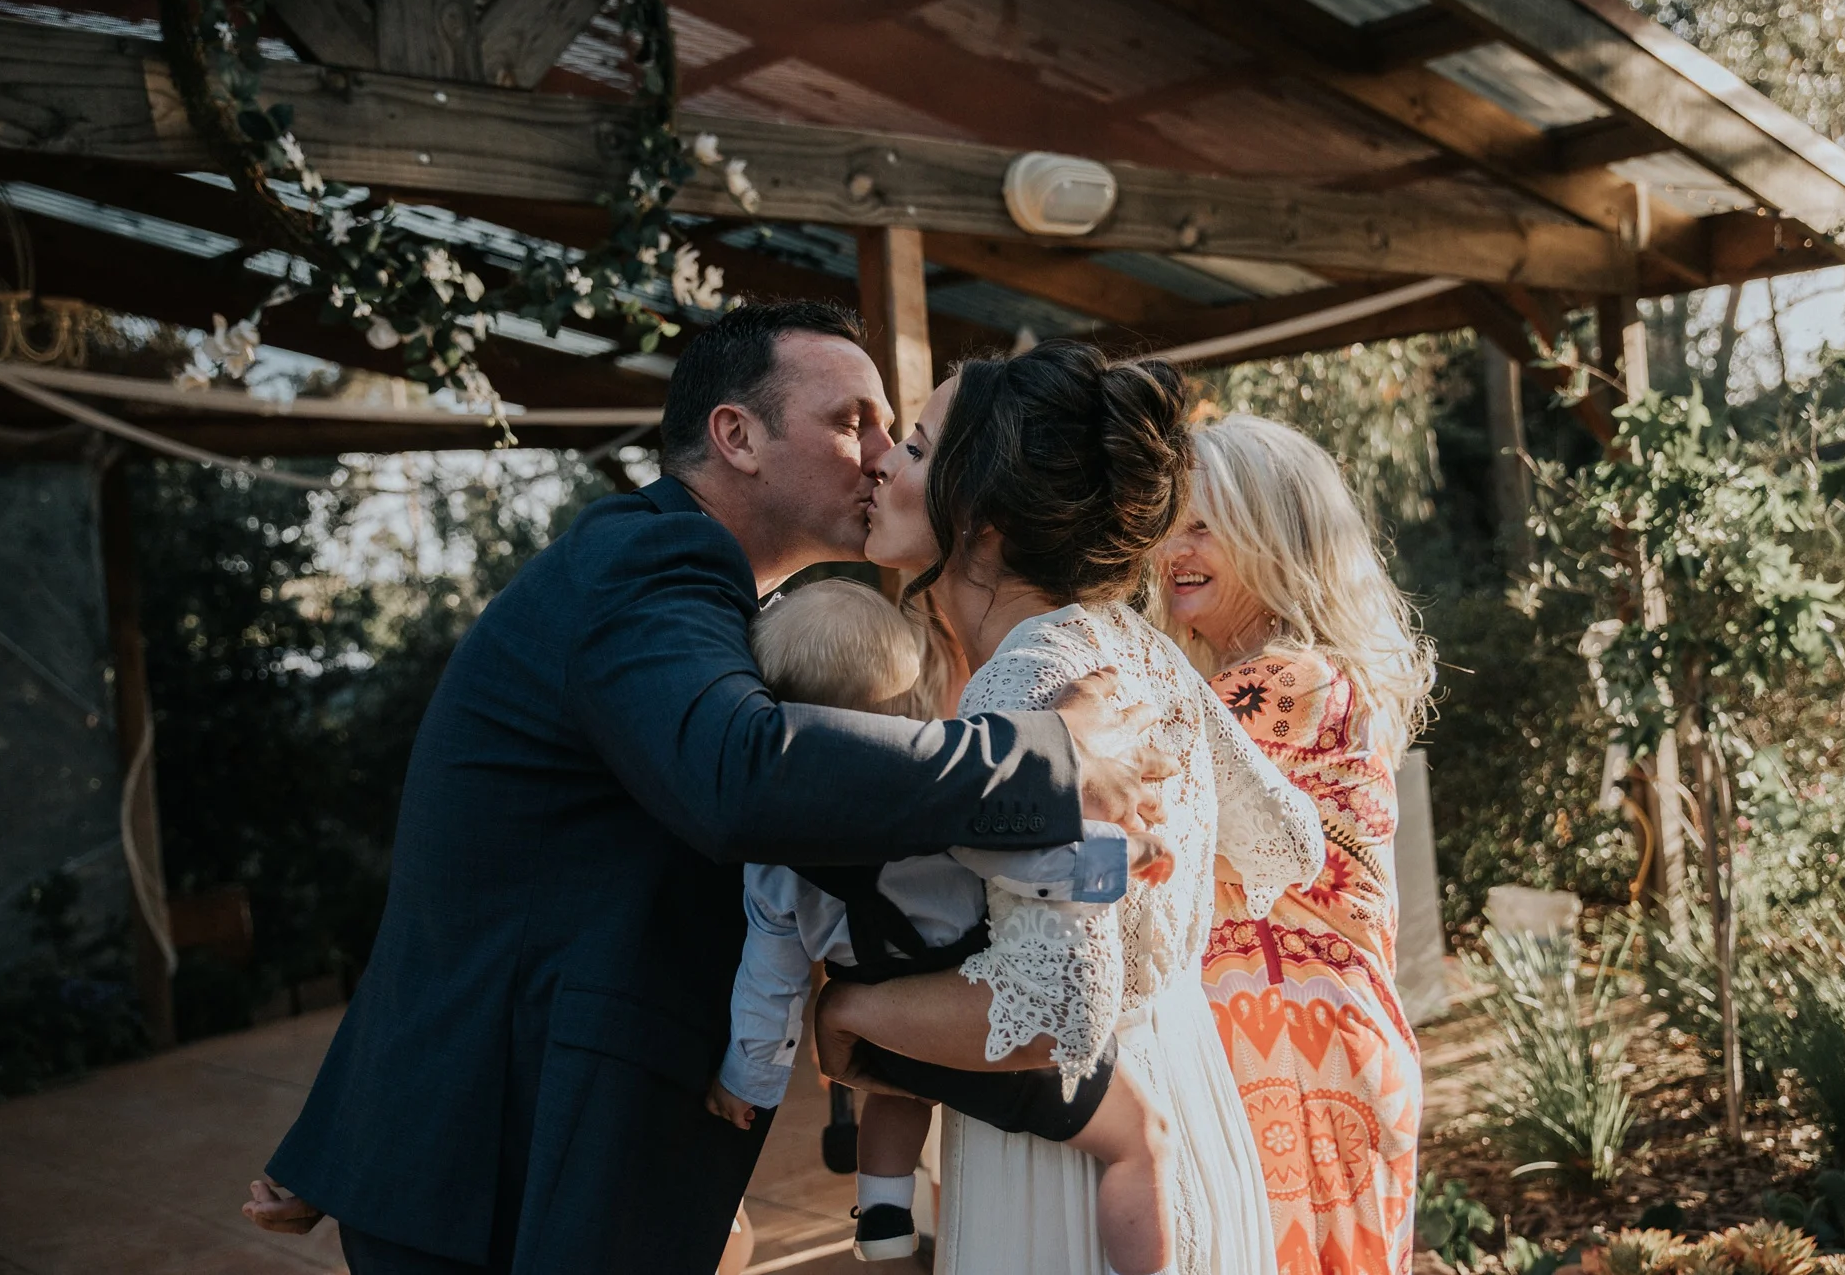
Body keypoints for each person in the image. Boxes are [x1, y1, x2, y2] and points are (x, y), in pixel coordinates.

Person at [238, 302, 1178, 1275]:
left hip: (532, 1148)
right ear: (737, 436)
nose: (879, 455)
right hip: (510, 1159)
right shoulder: (651, 562)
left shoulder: (695, 593)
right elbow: (743, 770)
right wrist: (1042, 757)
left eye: (891, 431)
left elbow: (485, 872)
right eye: (851, 420)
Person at [815, 343, 1329, 1275]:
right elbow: (1289, 839)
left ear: (987, 519)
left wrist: (854, 1007)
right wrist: (1144, 892)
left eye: (918, 448)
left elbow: (1061, 1011)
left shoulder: (1021, 682)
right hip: (1191, 1103)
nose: (885, 461)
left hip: (1067, 1175)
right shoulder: (1140, 647)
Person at [704, 578, 1176, 1268]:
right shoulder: (938, 805)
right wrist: (1124, 854)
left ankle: (883, 1216)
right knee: (1141, 1140)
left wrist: (747, 1082)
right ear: (904, 712)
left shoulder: (770, 859)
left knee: (898, 1088)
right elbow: (1032, 864)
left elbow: (768, 981)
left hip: (885, 1037)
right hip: (963, 1014)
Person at [1156, 414, 1435, 1275]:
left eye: (1204, 526)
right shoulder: (1279, 679)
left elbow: (1126, 789)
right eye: (1168, 524)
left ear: (1275, 539)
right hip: (1299, 1045)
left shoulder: (1283, 683)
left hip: (1294, 1052)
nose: (1173, 549)